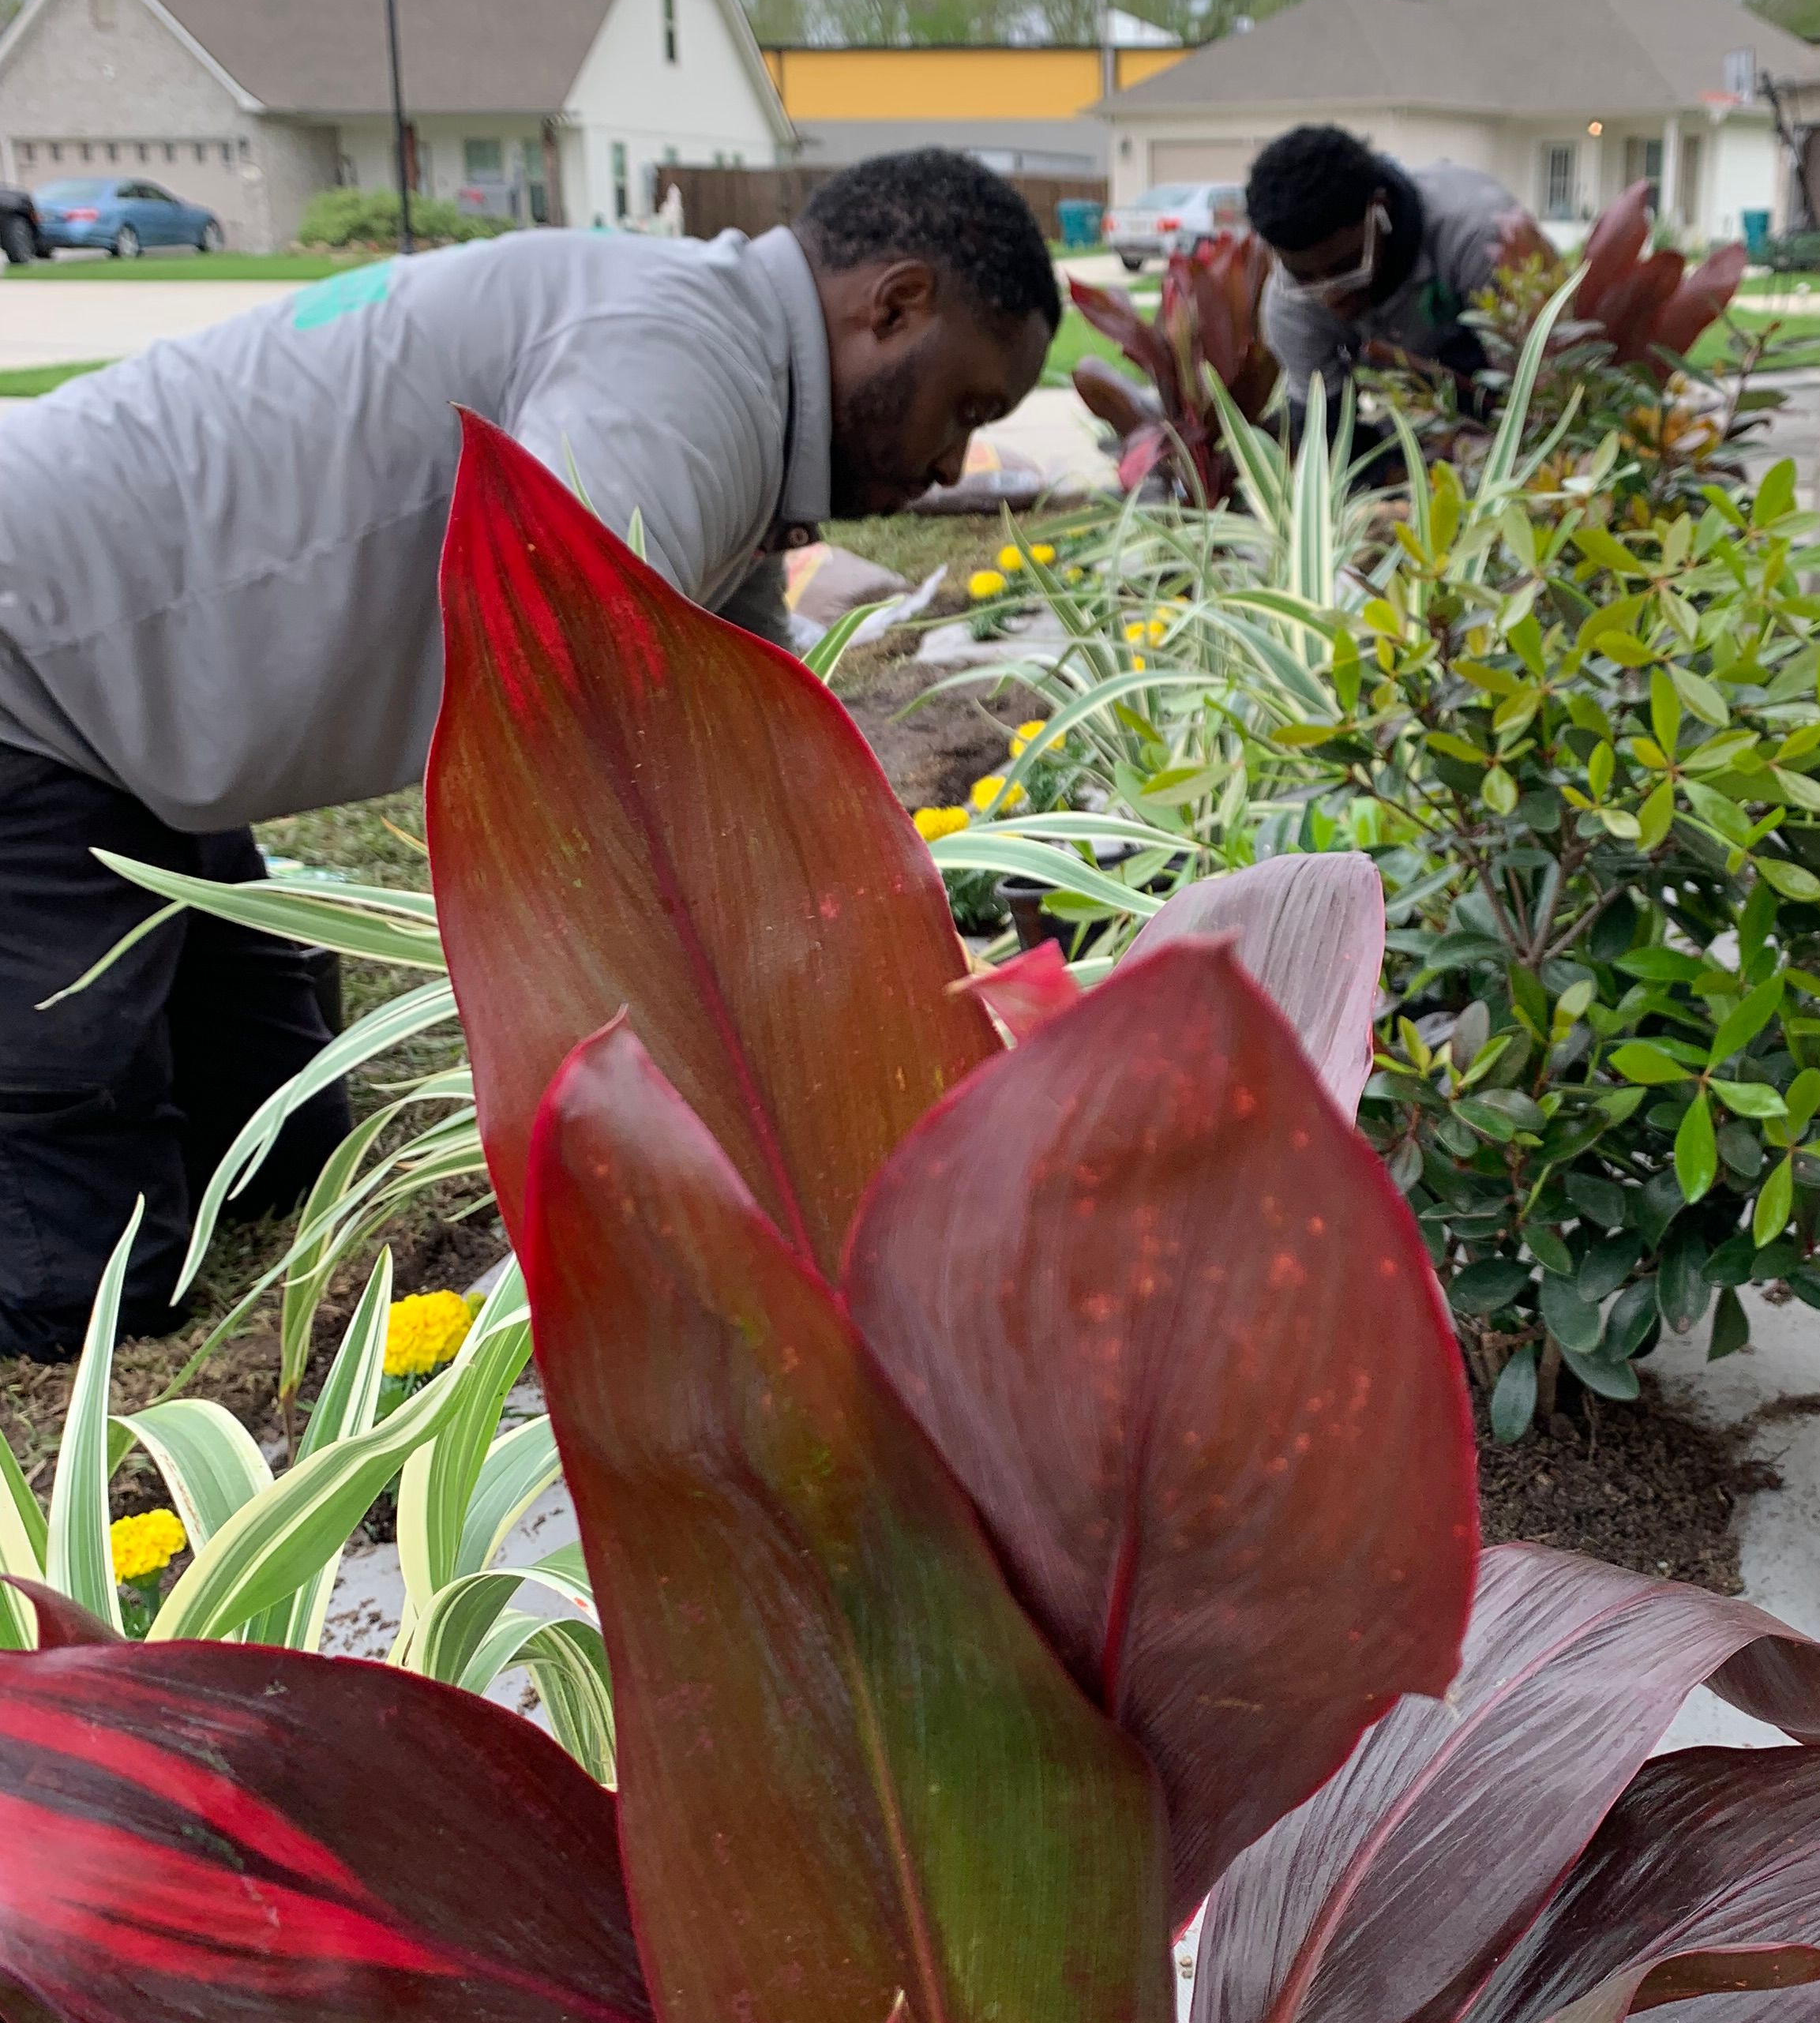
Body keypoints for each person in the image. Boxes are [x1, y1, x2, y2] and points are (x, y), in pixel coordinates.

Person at [0, 148, 1059, 1360]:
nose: (947, 467)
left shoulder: (722, 373)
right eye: (966, 410)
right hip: (31, 655)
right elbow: (559, 734)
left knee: (284, 1148)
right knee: (85, 1269)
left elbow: (742, 735)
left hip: (152, 705)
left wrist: (899, 976)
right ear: (895, 304)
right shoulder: (680, 372)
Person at [1247, 123, 1547, 420]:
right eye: (1304, 278)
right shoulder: (1289, 308)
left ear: (1381, 210)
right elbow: (1325, 430)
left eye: (1346, 269)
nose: (1330, 297)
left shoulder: (1484, 238)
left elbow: (1541, 395)